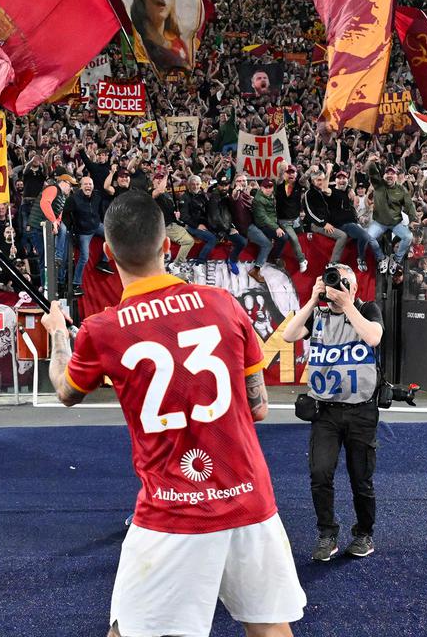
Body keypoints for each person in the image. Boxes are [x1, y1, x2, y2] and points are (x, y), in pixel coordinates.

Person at [42, 192, 305, 637]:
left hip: (174, 510)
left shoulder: (102, 330)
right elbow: (257, 406)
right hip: (249, 498)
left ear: (107, 252)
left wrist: (57, 337)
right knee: (269, 629)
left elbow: (66, 391)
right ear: (168, 247)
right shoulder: (223, 303)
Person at [281, 264, 384, 562]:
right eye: (332, 282)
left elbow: (373, 337)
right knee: (320, 473)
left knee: (360, 477)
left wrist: (348, 304)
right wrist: (313, 299)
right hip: (325, 411)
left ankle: (364, 533)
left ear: (354, 288)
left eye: (343, 282)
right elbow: (289, 335)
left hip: (361, 410)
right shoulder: (319, 315)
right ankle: (327, 534)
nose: (336, 287)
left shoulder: (367, 309)